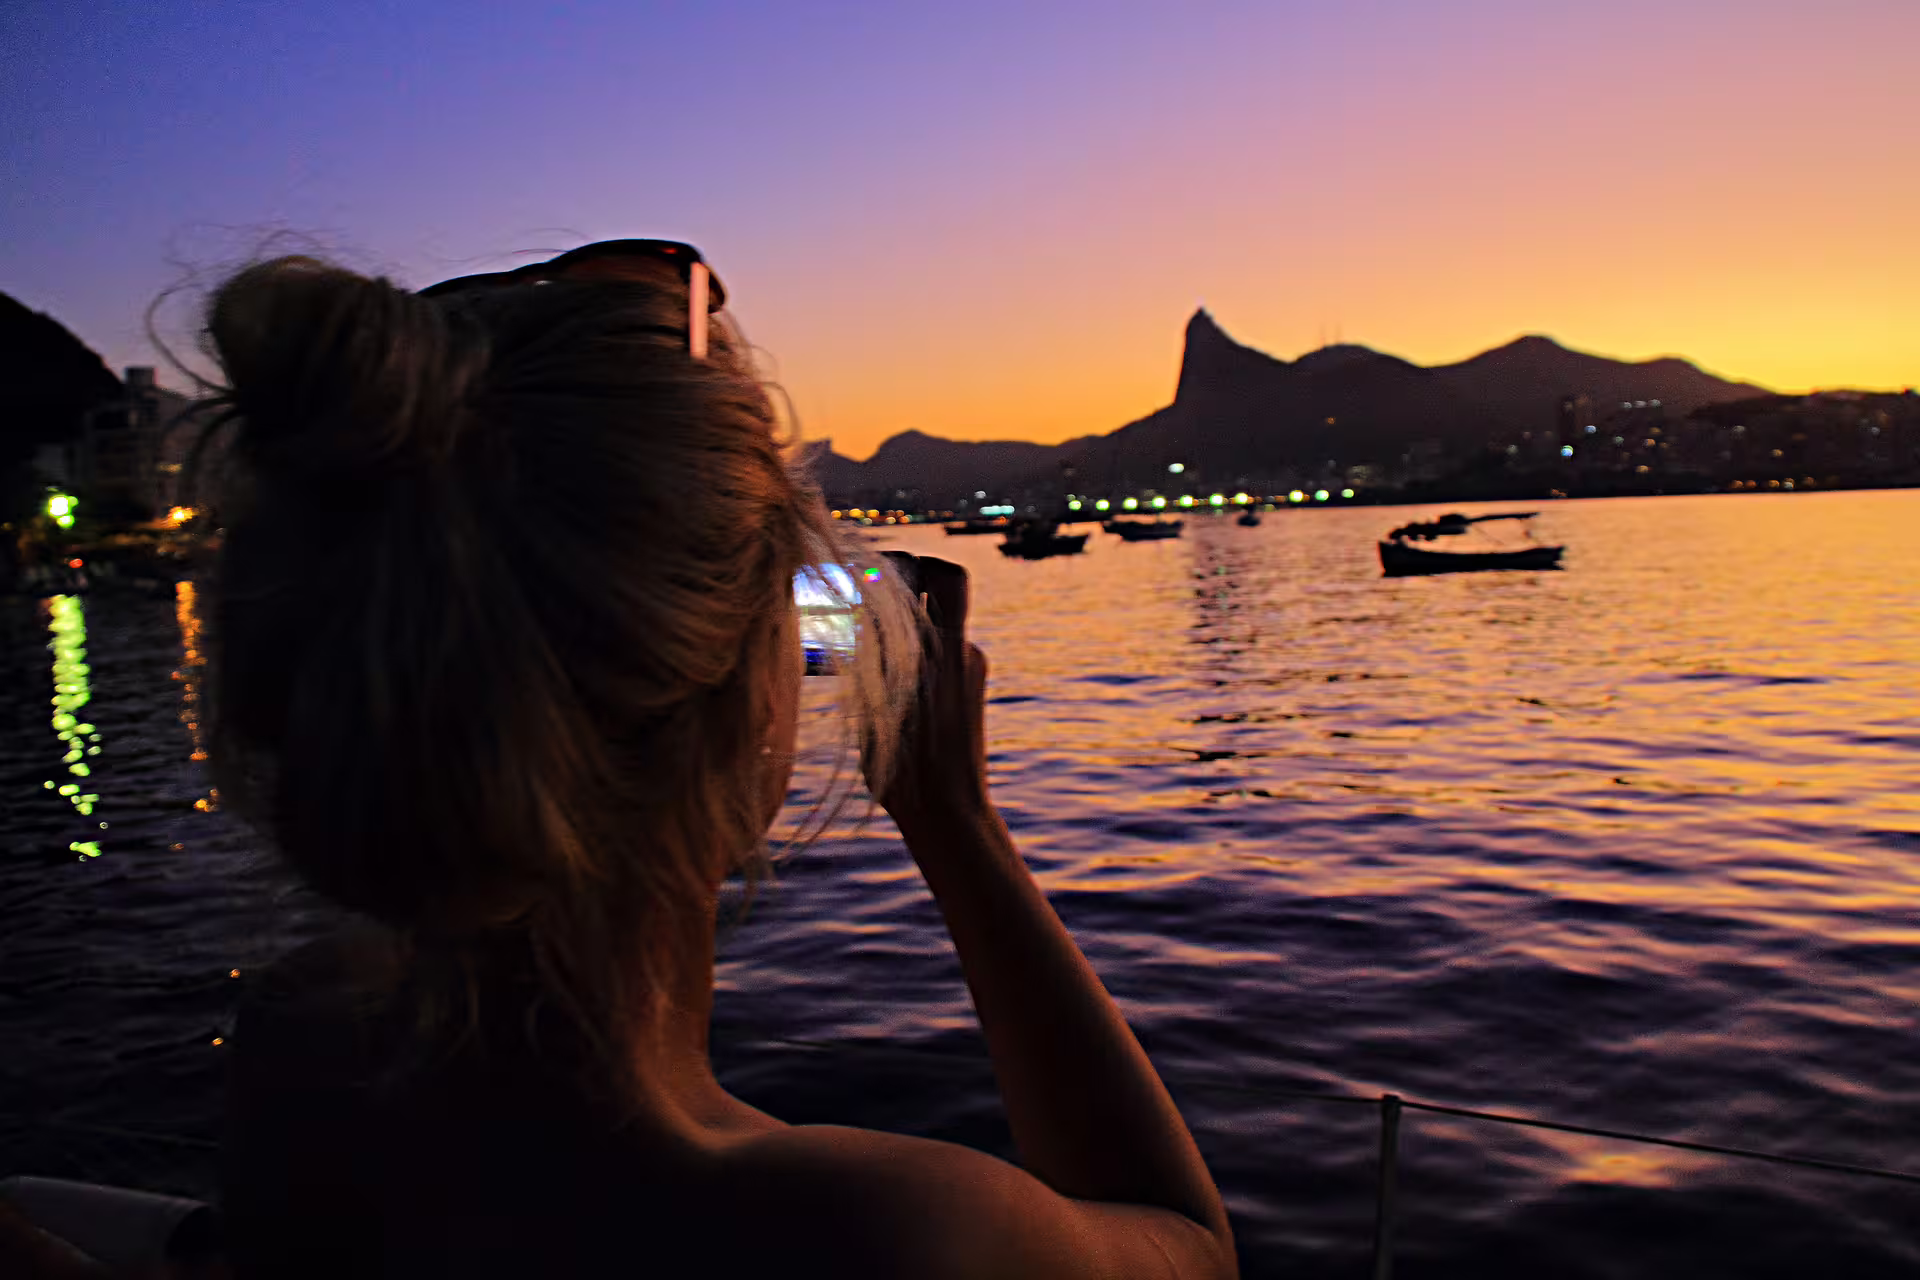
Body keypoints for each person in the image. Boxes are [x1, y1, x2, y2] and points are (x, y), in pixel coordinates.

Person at [199, 242, 1238, 1278]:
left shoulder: (306, 1049)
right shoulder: (874, 1230)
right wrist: (957, 820)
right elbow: (1189, 1246)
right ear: (736, 713)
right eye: (791, 607)